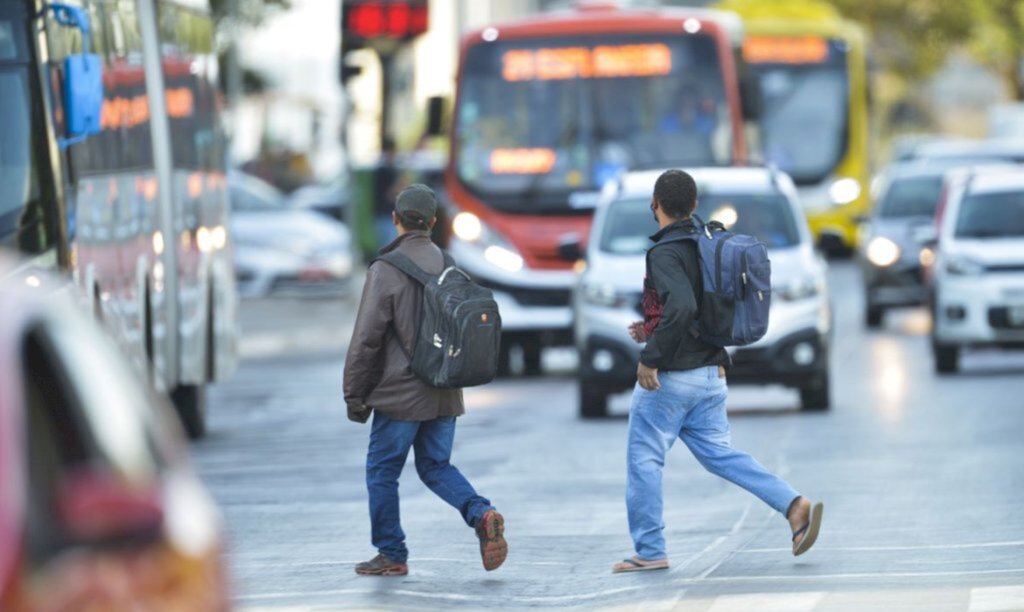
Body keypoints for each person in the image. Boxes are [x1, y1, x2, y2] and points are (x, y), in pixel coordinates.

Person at [612, 169, 823, 573]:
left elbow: (683, 308)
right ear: (694, 205)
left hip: (673, 378)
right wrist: (720, 358)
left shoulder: (664, 253)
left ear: (654, 204)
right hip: (710, 375)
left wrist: (650, 357)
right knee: (721, 456)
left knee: (644, 459)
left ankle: (650, 550)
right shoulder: (709, 244)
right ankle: (794, 505)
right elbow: (709, 310)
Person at [344, 184, 508, 577]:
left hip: (401, 395)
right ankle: (481, 512)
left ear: (397, 220)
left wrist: (355, 394)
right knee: (435, 465)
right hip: (445, 389)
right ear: (433, 223)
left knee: (382, 471)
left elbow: (367, 338)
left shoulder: (386, 269)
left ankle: (391, 552)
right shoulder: (450, 264)